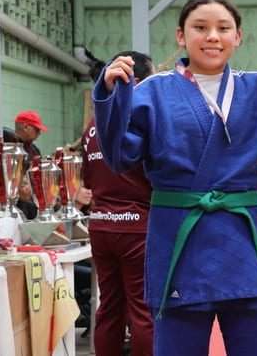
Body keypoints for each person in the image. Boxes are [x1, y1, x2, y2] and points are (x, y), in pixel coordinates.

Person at [94, 0, 257, 356]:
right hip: (180, 239)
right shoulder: (152, 92)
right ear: (181, 36)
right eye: (200, 27)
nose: (212, 36)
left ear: (238, 37)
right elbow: (117, 156)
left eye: (223, 28)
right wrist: (109, 94)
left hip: (242, 239)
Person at [83, 50, 156, 356]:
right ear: (135, 81)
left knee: (109, 307)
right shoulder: (140, 120)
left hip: (101, 225)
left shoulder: (92, 125)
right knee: (143, 310)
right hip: (137, 226)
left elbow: (88, 180)